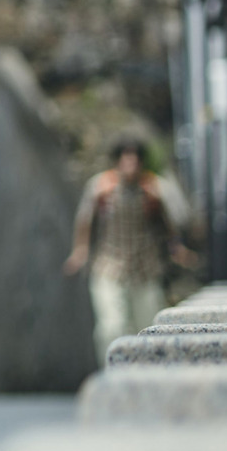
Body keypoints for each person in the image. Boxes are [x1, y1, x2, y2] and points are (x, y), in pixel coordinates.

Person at [63, 137, 193, 362]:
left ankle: (145, 373)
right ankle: (113, 370)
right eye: (126, 160)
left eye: (135, 160)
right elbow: (85, 220)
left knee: (148, 325)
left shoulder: (154, 188)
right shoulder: (101, 187)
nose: (130, 166)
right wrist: (80, 250)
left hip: (145, 266)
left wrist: (177, 247)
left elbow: (172, 222)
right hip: (109, 265)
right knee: (112, 325)